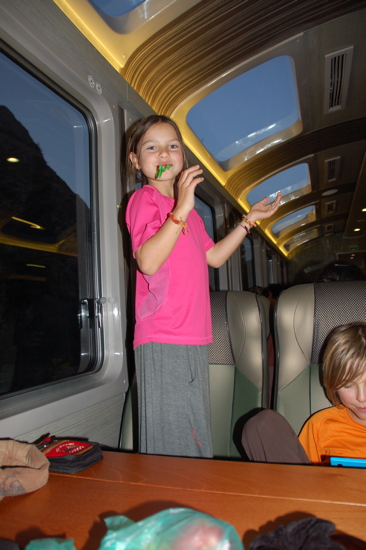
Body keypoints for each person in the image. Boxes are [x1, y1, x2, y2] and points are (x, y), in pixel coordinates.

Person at [125, 114, 282, 458]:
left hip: (193, 333)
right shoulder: (145, 201)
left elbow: (213, 257)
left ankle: (193, 502)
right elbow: (148, 261)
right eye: (152, 147)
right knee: (172, 443)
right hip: (164, 334)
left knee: (193, 433)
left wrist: (249, 220)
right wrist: (181, 205)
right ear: (136, 160)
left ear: (183, 157)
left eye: (173, 146)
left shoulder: (190, 214)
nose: (164, 154)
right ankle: (173, 505)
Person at [242, 323, 366, 464]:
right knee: (262, 425)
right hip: (322, 485)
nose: (361, 397)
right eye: (348, 386)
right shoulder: (321, 426)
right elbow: (304, 477)